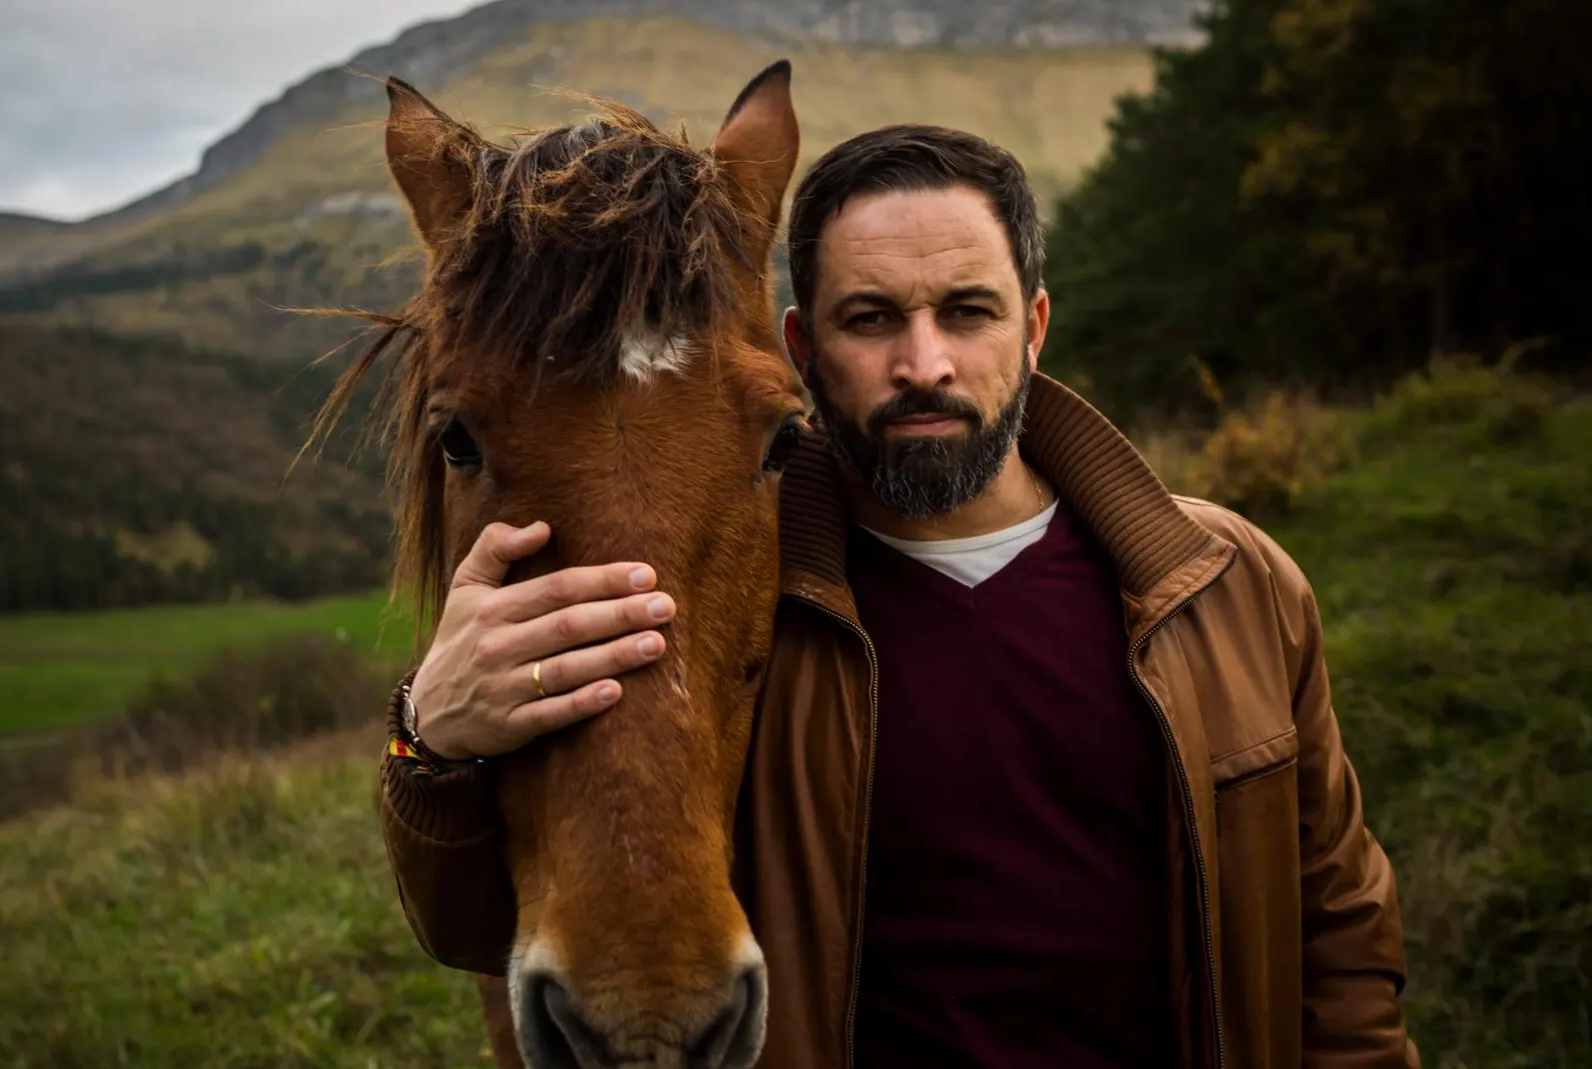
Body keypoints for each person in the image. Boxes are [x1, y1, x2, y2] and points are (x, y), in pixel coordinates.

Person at [377, 124, 1420, 1068]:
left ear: (1035, 327)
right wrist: (431, 740)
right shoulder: (744, 601)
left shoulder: (1232, 584)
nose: (923, 364)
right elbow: (501, 923)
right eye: (870, 319)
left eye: (967, 312)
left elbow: (1335, 921)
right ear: (799, 348)